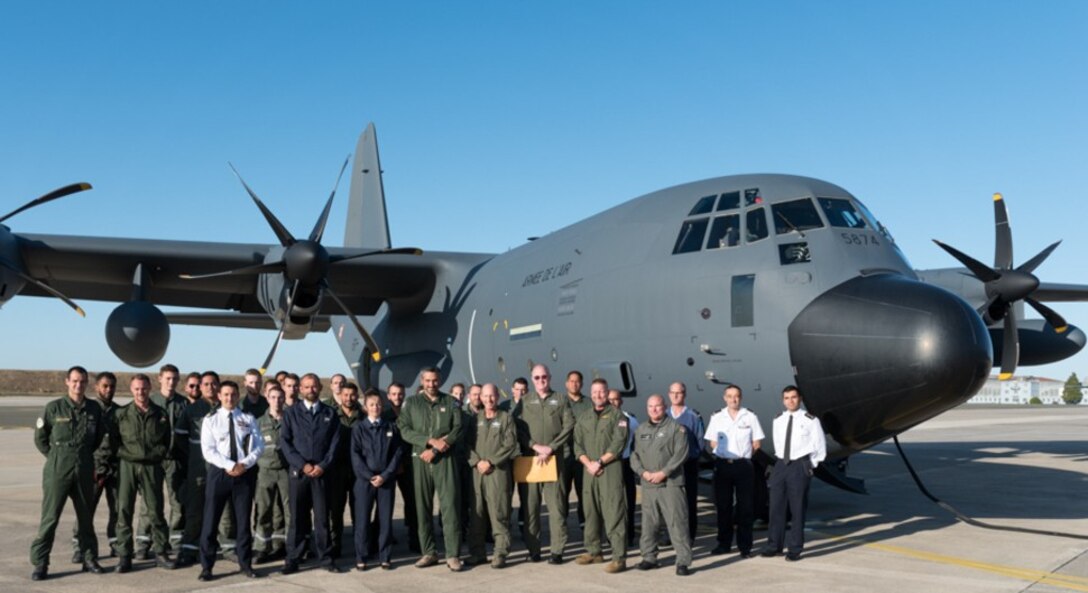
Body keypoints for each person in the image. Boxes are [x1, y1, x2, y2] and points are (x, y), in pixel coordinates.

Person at [30, 366, 106, 581]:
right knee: (50, 518)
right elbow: (40, 439)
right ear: (67, 382)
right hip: (58, 467)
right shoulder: (54, 408)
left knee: (85, 518)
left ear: (87, 383)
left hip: (83, 466)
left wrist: (81, 455)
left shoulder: (94, 409)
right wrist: (57, 457)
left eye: (82, 381)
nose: (78, 385)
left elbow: (98, 437)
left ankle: (89, 557)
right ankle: (40, 562)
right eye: (74, 381)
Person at [398, 367, 464, 571]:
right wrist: (428, 441)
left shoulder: (451, 402)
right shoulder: (411, 403)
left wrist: (435, 449)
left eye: (435, 380)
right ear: (422, 380)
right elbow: (404, 429)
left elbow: (458, 428)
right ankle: (429, 552)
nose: (431, 384)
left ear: (440, 380)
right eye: (427, 380)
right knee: (422, 508)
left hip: (445, 460)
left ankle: (452, 555)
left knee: (450, 508)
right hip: (420, 460)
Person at [110, 374, 177, 572]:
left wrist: (156, 455)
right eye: (137, 389)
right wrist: (126, 454)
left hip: (152, 467)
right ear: (131, 390)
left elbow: (166, 440)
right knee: (124, 511)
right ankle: (124, 556)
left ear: (150, 389)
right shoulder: (121, 414)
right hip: (128, 466)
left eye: (144, 389)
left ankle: (161, 552)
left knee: (155, 510)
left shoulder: (160, 414)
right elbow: (113, 441)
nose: (141, 392)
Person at [198, 381, 264, 581]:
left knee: (243, 523)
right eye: (226, 394)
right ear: (219, 396)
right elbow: (208, 450)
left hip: (243, 474)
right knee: (210, 521)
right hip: (219, 473)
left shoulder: (247, 418)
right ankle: (207, 567)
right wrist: (229, 465)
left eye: (233, 394)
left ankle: (246, 564)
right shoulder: (211, 420)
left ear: (238, 396)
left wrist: (244, 464)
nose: (229, 398)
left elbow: (259, 446)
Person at [280, 373, 341, 574]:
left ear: (320, 388)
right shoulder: (291, 413)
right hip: (300, 474)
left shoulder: (330, 413)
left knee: (322, 518)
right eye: (306, 387)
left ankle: (325, 558)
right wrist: (302, 465)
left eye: (314, 387)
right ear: (301, 389)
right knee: (297, 518)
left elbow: (334, 444)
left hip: (322, 473)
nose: (310, 390)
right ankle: (293, 558)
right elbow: (286, 443)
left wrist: (323, 465)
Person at [514, 364, 575, 564]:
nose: (541, 381)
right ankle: (534, 550)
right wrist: (534, 445)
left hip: (553, 460)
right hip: (530, 461)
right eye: (537, 377)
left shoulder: (561, 399)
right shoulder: (524, 402)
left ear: (550, 377)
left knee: (556, 507)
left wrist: (552, 446)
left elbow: (569, 425)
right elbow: (516, 428)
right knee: (531, 507)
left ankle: (557, 551)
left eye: (544, 377)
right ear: (532, 379)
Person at [761, 385, 826, 562]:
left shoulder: (811, 420)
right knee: (776, 507)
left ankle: (795, 548)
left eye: (794, 397)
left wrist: (808, 465)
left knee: (797, 509)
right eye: (787, 398)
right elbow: (778, 443)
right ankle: (774, 545)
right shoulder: (778, 419)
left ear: (800, 399)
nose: (790, 401)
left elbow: (820, 448)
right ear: (783, 400)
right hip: (781, 464)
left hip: (799, 464)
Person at [175, 371, 232, 566]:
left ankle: (228, 547)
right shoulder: (191, 410)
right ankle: (190, 548)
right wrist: (193, 456)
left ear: (218, 386)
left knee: (225, 509)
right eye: (205, 384)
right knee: (195, 509)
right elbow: (180, 437)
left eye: (213, 384)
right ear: (200, 387)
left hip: (222, 467)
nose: (209, 387)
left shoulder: (227, 409)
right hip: (198, 468)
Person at [631, 394, 692, 576]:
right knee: (649, 523)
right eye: (650, 407)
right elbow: (635, 456)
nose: (654, 410)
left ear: (664, 407)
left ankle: (682, 561)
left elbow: (681, 453)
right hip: (649, 484)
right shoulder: (641, 430)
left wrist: (663, 473)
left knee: (677, 522)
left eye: (657, 406)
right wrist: (643, 472)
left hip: (670, 484)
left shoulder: (676, 429)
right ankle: (649, 557)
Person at [573, 378, 628, 573]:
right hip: (589, 471)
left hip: (609, 470)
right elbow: (577, 444)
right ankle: (594, 551)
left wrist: (600, 462)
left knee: (613, 512)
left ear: (607, 393)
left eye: (602, 392)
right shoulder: (584, 417)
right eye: (594, 392)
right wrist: (588, 463)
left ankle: (619, 557)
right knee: (590, 512)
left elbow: (618, 444)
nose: (598, 395)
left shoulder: (618, 416)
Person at [705, 384, 764, 557]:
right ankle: (723, 544)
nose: (733, 399)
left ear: (741, 398)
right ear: (725, 398)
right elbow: (712, 442)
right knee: (723, 506)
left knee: (745, 507)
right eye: (730, 396)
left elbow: (757, 443)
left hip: (743, 466)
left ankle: (745, 546)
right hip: (723, 465)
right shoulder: (717, 417)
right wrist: (724, 456)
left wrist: (743, 457)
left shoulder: (750, 416)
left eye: (736, 396)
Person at [465, 383, 518, 569]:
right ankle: (477, 553)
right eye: (485, 396)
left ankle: (500, 553)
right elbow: (467, 445)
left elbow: (510, 444)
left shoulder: (506, 418)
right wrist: (477, 462)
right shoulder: (475, 419)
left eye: (492, 396)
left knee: (499, 513)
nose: (488, 400)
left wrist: (491, 461)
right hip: (477, 472)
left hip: (497, 473)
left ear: (497, 396)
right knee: (477, 514)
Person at [351, 387, 404, 570]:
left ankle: (385, 556)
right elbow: (355, 455)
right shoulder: (359, 428)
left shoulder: (390, 427)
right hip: (364, 481)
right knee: (362, 520)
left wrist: (385, 475)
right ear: (365, 407)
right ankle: (362, 557)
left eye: (379, 404)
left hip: (386, 480)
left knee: (385, 521)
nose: (376, 407)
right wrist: (368, 476)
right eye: (372, 404)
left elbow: (397, 453)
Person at [71, 371, 119, 563]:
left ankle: (116, 543)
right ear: (96, 387)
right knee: (86, 509)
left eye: (112, 386)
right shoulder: (89, 409)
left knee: (117, 508)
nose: (108, 390)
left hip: (114, 466)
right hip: (93, 466)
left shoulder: (119, 411)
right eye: (105, 386)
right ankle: (80, 546)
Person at [144, 364, 188, 557]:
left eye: (175, 379)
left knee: (177, 501)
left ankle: (176, 539)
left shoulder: (183, 404)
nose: (171, 382)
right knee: (150, 502)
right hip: (153, 460)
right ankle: (144, 542)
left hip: (175, 459)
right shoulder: (150, 401)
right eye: (168, 378)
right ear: (159, 378)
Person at [254, 385, 290, 563]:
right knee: (264, 510)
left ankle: (286, 546)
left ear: (284, 399)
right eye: (273, 397)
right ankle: (262, 547)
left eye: (280, 397)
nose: (277, 401)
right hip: (265, 472)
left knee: (288, 511)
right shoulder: (259, 422)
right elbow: (251, 448)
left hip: (285, 471)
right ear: (267, 398)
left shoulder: (291, 420)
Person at [383, 382, 419, 553]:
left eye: (400, 393)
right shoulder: (384, 416)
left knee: (412, 502)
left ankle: (415, 538)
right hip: (388, 465)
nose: (397, 397)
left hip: (408, 464)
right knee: (385, 504)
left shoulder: (409, 414)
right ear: (388, 396)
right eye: (394, 394)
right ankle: (383, 538)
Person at [667, 382, 705, 545]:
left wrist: (690, 456)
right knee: (670, 503)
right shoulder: (664, 415)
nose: (676, 396)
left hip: (688, 464)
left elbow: (700, 442)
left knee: (689, 502)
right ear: (669, 394)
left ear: (685, 394)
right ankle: (671, 536)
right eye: (673, 393)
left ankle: (689, 536)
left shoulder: (693, 417)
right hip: (668, 466)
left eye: (679, 393)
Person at [328, 382, 363, 559]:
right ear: (340, 395)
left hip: (358, 471)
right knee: (336, 510)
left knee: (359, 510)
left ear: (357, 396)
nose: (349, 398)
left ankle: (360, 546)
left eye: (352, 395)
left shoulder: (363, 416)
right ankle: (336, 545)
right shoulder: (331, 415)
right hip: (337, 470)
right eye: (346, 395)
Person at [607, 389, 639, 547]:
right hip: (607, 464)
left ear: (621, 401)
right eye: (610, 399)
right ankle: (611, 536)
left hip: (625, 463)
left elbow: (637, 442)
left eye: (616, 399)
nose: (613, 402)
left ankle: (629, 536)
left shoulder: (630, 420)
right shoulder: (602, 418)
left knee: (628, 502)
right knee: (610, 503)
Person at [563, 370, 590, 528]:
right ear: (567, 383)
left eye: (577, 381)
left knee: (583, 492)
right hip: (565, 455)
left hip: (583, 456)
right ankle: (562, 525)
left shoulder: (588, 403)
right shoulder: (561, 402)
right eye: (571, 381)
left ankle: (584, 523)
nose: (574, 384)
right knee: (562, 492)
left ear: (582, 384)